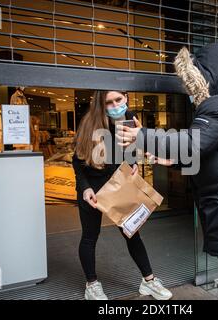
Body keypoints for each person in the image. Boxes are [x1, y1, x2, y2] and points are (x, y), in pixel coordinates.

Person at [117, 43, 218, 300]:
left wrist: (142, 135)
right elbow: (210, 151)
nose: (188, 91)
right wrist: (173, 162)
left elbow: (193, 142)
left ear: (205, 78)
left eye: (190, 83)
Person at [71, 90, 173, 301]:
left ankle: (149, 281)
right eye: (109, 102)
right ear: (101, 104)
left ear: (126, 97)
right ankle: (92, 285)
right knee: (90, 237)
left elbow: (130, 150)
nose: (115, 105)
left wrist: (133, 163)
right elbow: (77, 160)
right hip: (94, 189)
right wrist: (84, 188)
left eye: (119, 99)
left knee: (132, 232)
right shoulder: (90, 123)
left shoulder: (130, 119)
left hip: (119, 185)